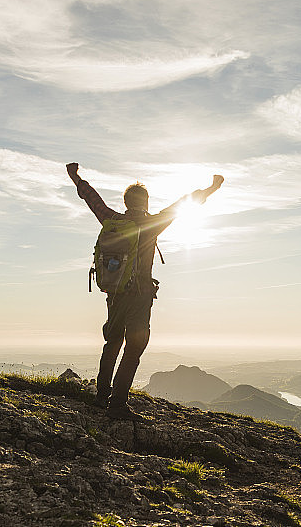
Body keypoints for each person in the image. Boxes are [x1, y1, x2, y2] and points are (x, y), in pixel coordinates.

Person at [66, 162, 224, 421]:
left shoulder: (111, 219)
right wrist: (213, 187)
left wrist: (76, 177)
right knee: (134, 347)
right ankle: (117, 405)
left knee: (112, 343)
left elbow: (92, 198)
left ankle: (100, 398)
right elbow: (185, 203)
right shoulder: (153, 223)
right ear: (146, 202)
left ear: (126, 202)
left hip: (114, 294)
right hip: (139, 295)